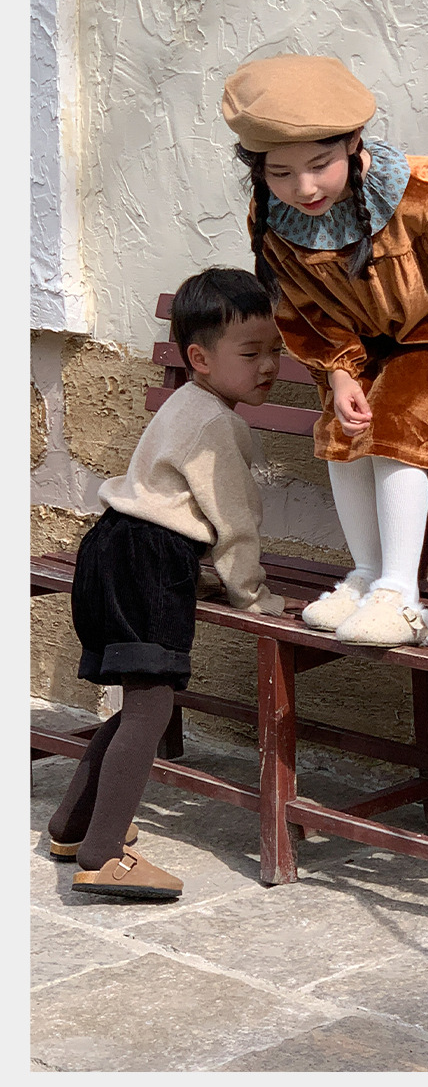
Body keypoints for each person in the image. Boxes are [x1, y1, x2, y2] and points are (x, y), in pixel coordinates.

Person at [221, 54, 428, 650]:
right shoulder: (276, 220)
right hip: (363, 352)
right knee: (343, 433)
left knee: (392, 428)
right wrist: (337, 372)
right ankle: (366, 574)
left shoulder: (426, 193)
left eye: (320, 165)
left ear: (354, 143)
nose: (304, 188)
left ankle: (400, 594)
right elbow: (303, 305)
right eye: (280, 173)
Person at [47, 268, 286, 901]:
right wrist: (253, 597)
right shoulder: (217, 425)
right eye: (251, 353)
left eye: (275, 350)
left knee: (138, 703)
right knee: (151, 708)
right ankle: (103, 855)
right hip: (148, 562)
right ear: (199, 359)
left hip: (113, 547)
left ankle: (72, 827)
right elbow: (234, 523)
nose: (268, 365)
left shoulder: (188, 404)